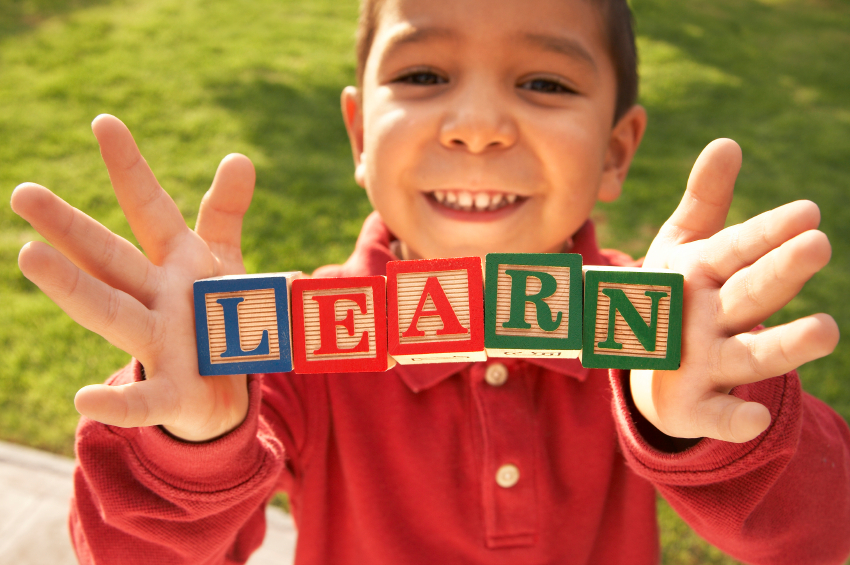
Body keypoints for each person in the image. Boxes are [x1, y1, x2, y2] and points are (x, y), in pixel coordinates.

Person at [10, 0, 850, 563]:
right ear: (359, 136)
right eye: (422, 75)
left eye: (544, 82)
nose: (478, 126)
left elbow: (827, 529)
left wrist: (719, 428)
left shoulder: (665, 338)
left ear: (617, 152)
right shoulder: (281, 353)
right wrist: (187, 442)